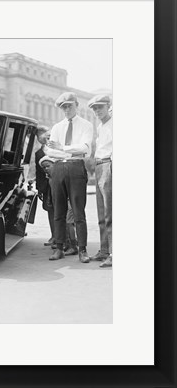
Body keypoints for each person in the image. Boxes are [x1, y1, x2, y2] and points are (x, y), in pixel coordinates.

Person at [45, 92, 93, 263]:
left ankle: (82, 250)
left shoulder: (86, 125)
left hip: (76, 167)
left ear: (76, 105)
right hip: (58, 167)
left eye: (69, 106)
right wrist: (67, 148)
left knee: (78, 211)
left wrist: (62, 147)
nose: (66, 109)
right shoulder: (57, 127)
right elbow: (50, 151)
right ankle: (59, 248)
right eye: (63, 107)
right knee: (59, 210)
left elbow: (85, 149)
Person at [88, 94, 113, 268]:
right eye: (95, 108)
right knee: (101, 212)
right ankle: (104, 250)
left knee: (111, 213)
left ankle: (113, 253)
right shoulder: (101, 126)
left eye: (100, 107)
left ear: (108, 106)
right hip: (99, 166)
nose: (97, 111)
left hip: (108, 166)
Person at [34, 126, 55, 247]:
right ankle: (54, 235)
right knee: (50, 210)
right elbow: (38, 172)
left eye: (43, 135)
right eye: (38, 136)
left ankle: (64, 237)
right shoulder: (38, 153)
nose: (41, 138)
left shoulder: (55, 150)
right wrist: (39, 188)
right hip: (46, 187)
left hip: (56, 184)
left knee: (60, 210)